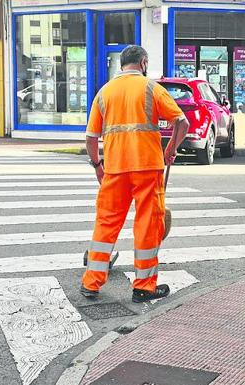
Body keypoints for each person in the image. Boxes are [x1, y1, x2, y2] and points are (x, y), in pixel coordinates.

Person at [81, 45, 189, 303]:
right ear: (143, 62)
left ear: (121, 65)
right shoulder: (152, 88)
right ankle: (143, 287)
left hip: (115, 169)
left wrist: (98, 165)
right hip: (147, 168)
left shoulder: (105, 92)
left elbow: (90, 138)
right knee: (147, 225)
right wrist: (170, 149)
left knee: (106, 225)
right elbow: (182, 122)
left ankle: (91, 283)